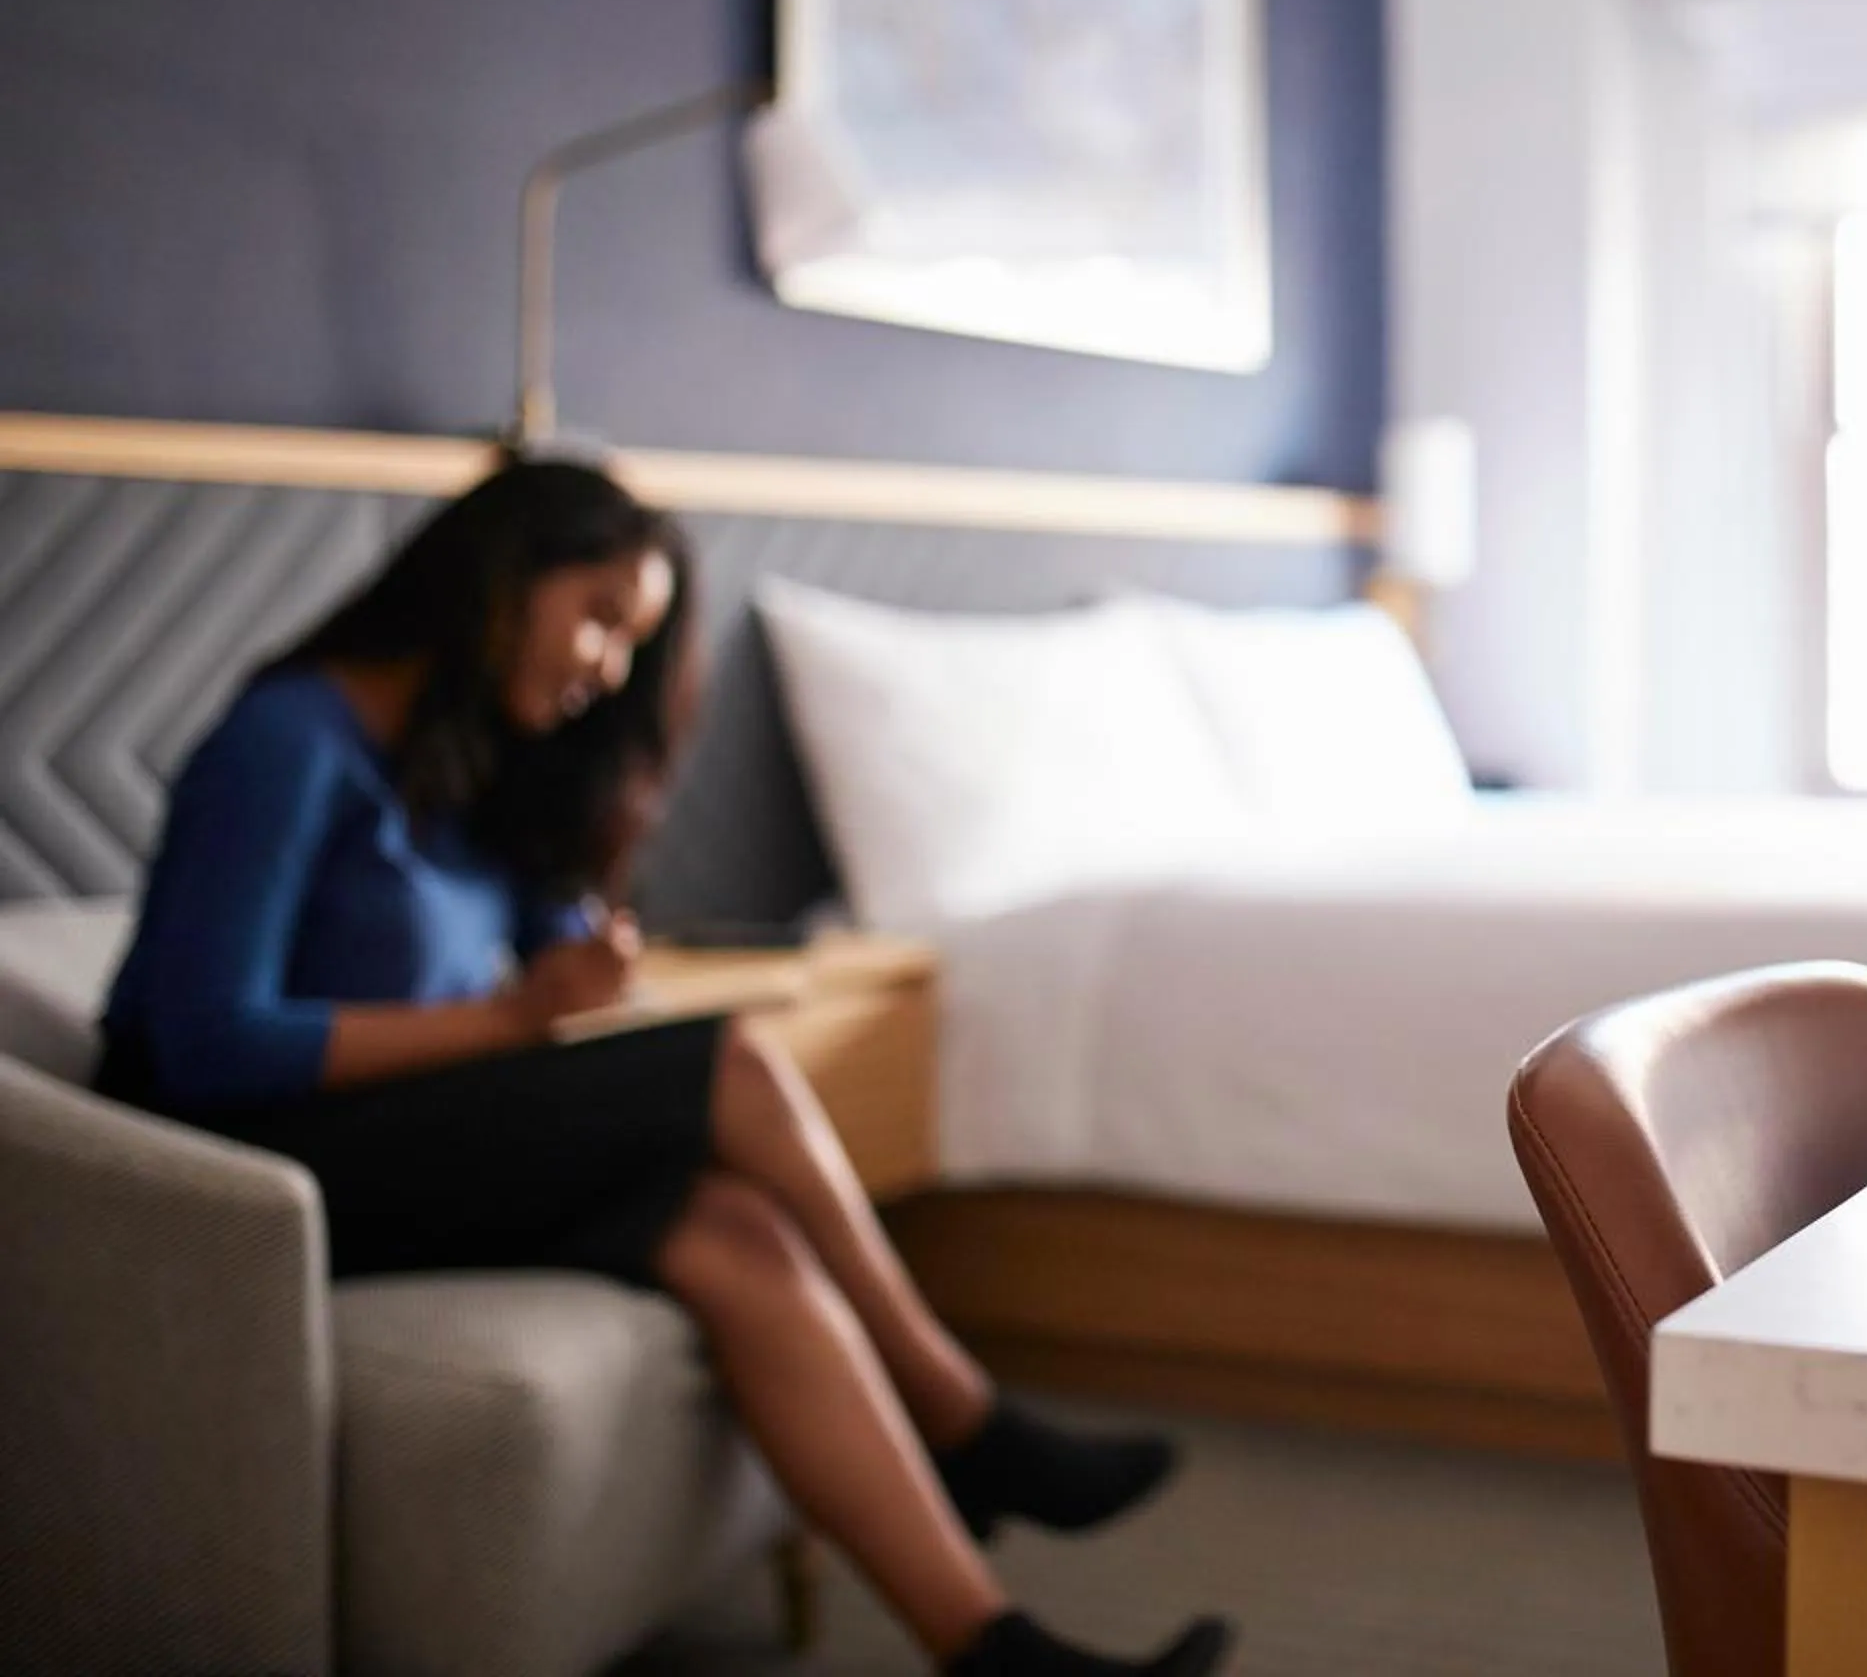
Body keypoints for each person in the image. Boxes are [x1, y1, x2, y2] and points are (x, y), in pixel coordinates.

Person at [96, 458, 1228, 1677]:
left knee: (738, 1231)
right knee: (734, 1065)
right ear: (499, 577)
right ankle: (964, 1413)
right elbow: (208, 1045)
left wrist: (575, 952)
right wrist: (509, 1021)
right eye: (597, 617)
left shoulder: (461, 761)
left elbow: (524, 960)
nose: (608, 666)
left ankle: (996, 1649)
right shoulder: (286, 739)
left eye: (632, 642)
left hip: (406, 1145)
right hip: (255, 1180)